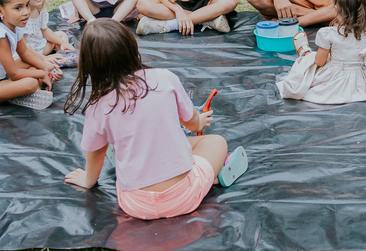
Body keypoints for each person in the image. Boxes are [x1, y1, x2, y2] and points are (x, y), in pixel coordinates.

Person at [63, 19, 249, 219]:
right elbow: (192, 123)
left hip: (134, 205)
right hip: (184, 197)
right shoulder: (165, 78)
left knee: (117, 146)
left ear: (89, 64)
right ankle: (213, 176)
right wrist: (199, 122)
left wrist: (89, 180)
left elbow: (96, 152)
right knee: (216, 142)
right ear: (132, 46)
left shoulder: (97, 106)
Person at [10, 0, 74, 59]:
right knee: (18, 60)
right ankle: (50, 59)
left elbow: (44, 30)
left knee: (62, 35)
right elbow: (22, 48)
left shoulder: (40, 10)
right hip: (26, 54)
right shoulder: (19, 18)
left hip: (41, 47)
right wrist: (43, 59)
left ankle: (64, 57)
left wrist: (62, 43)